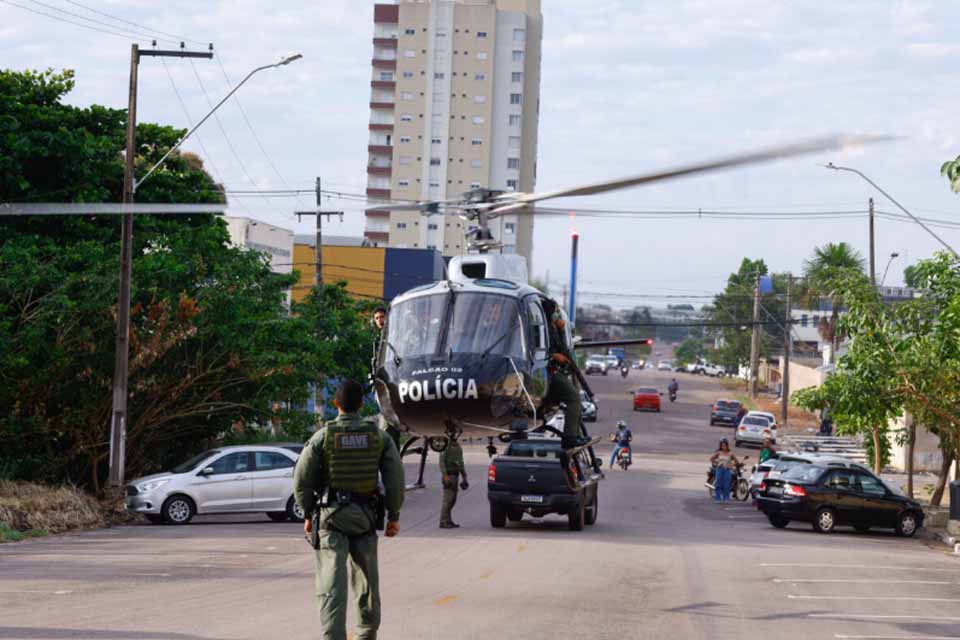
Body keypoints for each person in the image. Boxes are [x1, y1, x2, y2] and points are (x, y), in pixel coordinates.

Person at [294, 379, 405, 640]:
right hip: (365, 518)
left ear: (336, 404)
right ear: (362, 404)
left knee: (331, 583)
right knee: (367, 581)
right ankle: (366, 634)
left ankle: (333, 636)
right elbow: (395, 480)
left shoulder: (322, 437)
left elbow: (301, 480)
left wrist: (308, 514)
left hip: (330, 519)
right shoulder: (379, 437)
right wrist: (394, 516)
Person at [542, 312, 583, 448]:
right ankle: (570, 437)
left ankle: (576, 435)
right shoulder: (545, 329)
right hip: (548, 370)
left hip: (552, 370)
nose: (561, 321)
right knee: (573, 398)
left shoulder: (554, 331)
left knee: (574, 399)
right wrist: (554, 356)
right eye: (557, 316)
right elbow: (535, 348)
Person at [438, 433, 469, 528]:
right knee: (447, 500)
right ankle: (443, 521)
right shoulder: (445, 447)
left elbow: (461, 462)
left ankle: (448, 520)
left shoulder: (458, 447)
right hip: (449, 475)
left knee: (453, 500)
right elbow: (441, 463)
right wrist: (445, 476)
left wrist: (464, 476)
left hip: (456, 475)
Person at [709, 438, 738, 503]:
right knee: (718, 484)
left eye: (724, 445)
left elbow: (736, 461)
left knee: (726, 485)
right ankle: (718, 498)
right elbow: (711, 459)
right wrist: (716, 463)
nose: (723, 446)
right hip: (719, 469)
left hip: (727, 470)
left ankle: (726, 498)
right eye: (722, 445)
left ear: (727, 445)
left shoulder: (730, 453)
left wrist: (731, 465)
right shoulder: (718, 452)